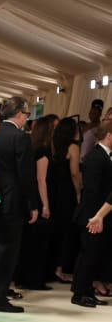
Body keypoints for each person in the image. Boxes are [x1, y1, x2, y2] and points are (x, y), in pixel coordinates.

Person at [0, 96, 39, 313]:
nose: (26, 118)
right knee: (7, 251)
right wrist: (33, 204)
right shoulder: (19, 137)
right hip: (13, 201)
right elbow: (26, 175)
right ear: (18, 114)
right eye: (26, 114)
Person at [70, 120, 112, 307]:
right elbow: (93, 192)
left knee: (93, 255)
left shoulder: (103, 156)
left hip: (98, 215)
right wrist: (97, 217)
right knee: (88, 255)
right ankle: (80, 293)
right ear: (109, 135)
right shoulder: (96, 158)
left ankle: (86, 291)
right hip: (92, 215)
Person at [14, 114, 55, 290]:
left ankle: (23, 276)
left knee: (28, 241)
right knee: (37, 243)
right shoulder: (43, 150)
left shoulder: (32, 146)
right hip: (39, 198)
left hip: (31, 197)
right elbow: (41, 179)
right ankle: (33, 279)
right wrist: (45, 204)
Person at [48, 117, 83, 283]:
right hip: (67, 192)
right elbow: (75, 173)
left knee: (56, 230)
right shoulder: (73, 147)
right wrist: (79, 192)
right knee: (67, 231)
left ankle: (52, 266)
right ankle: (59, 268)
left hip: (54, 191)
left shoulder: (54, 145)